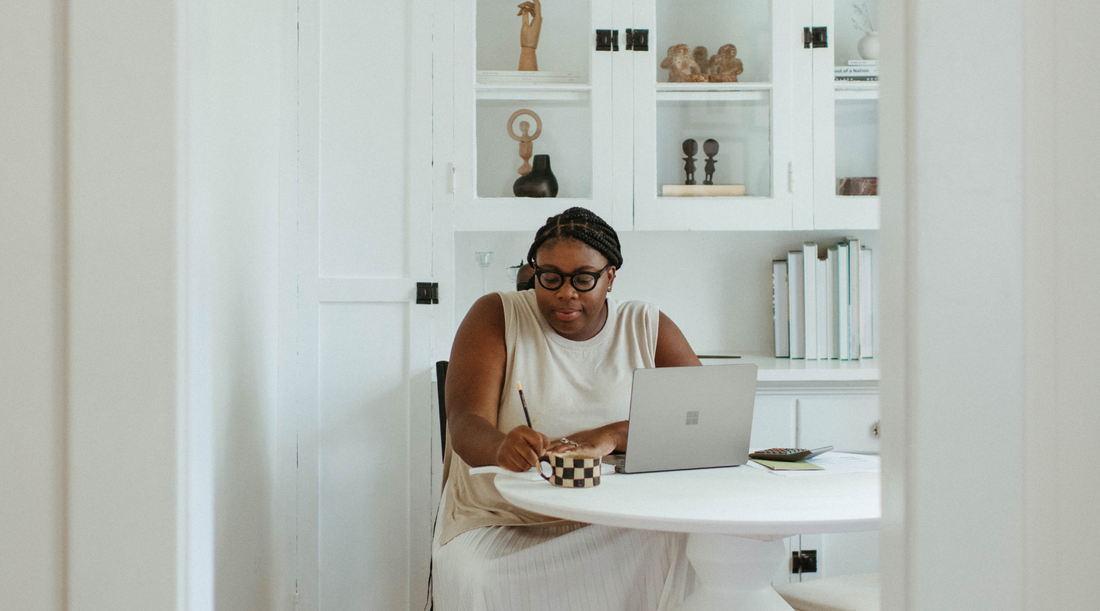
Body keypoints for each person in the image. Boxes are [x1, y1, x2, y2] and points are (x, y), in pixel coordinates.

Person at [432, 207, 702, 611]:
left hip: (617, 518)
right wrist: (500, 447)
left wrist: (611, 435)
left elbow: (701, 423)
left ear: (611, 277)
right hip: (504, 517)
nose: (566, 293)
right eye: (550, 277)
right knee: (483, 576)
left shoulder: (645, 325)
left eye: (583, 279)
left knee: (683, 546)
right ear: (534, 271)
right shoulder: (496, 315)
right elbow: (465, 423)